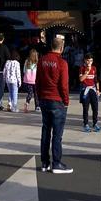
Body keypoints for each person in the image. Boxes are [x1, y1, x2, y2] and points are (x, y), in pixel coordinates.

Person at [35, 34, 72, 174]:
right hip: (57, 100)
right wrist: (66, 101)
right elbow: (64, 85)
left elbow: (37, 82)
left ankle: (45, 163)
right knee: (57, 134)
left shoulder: (42, 60)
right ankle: (56, 163)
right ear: (61, 48)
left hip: (44, 99)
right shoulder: (62, 63)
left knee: (45, 131)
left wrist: (39, 98)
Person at [79, 53, 100, 132]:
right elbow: (81, 79)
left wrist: (98, 89)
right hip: (85, 90)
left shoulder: (94, 68)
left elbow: (96, 80)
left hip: (93, 90)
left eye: (91, 60)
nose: (89, 62)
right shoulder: (82, 68)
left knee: (95, 108)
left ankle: (95, 123)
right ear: (85, 60)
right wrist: (86, 72)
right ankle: (86, 124)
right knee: (86, 108)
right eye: (88, 60)